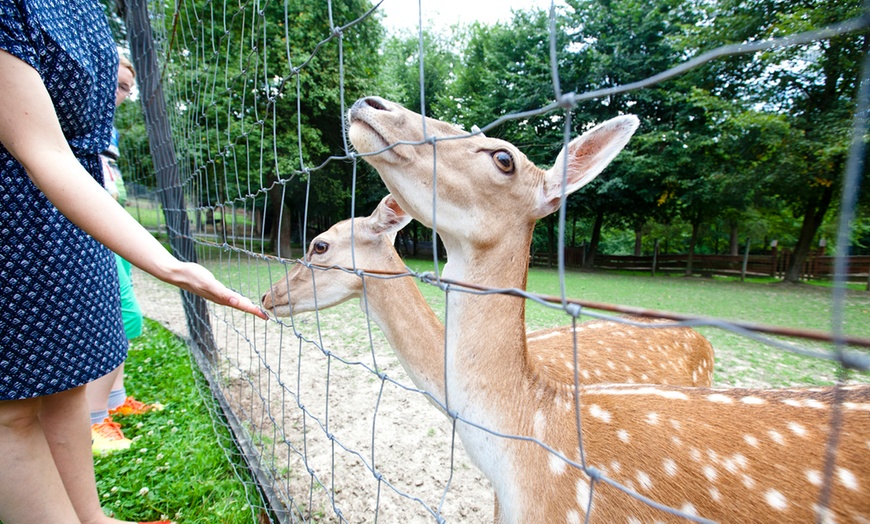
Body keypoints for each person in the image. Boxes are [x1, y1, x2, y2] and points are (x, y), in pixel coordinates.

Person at [0, 1, 267, 523]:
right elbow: (40, 148)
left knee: (67, 384)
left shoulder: (86, 7)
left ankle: (92, 517)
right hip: (18, 214)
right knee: (11, 412)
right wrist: (173, 266)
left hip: (77, 213)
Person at [88, 57, 163, 455]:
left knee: (121, 318)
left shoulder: (105, 128)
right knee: (115, 319)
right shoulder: (75, 121)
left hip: (108, 231)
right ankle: (94, 422)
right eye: (117, 85)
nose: (121, 96)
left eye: (126, 91)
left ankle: (114, 403)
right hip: (89, 231)